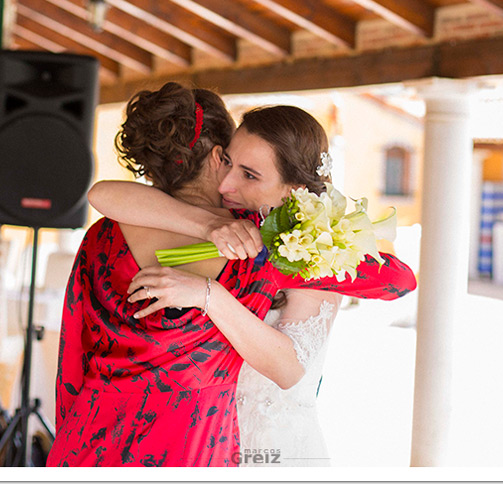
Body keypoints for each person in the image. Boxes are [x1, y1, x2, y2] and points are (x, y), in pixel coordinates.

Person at [48, 84, 415, 467]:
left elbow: (73, 353)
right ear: (216, 156)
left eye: (248, 172)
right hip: (188, 444)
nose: (230, 183)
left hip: (88, 437)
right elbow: (397, 280)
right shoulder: (261, 246)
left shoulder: (101, 237)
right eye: (230, 162)